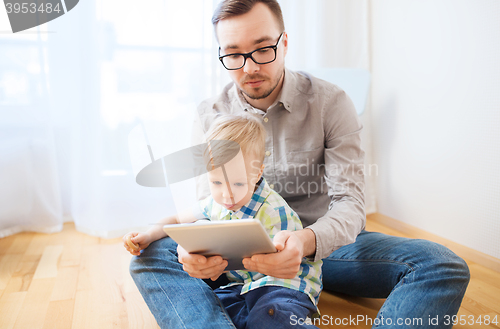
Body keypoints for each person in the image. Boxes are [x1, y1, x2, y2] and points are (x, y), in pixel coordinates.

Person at [129, 0, 470, 328]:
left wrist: (305, 241)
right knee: (150, 254)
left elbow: (351, 204)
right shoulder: (210, 114)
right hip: (238, 258)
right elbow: (207, 207)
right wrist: (196, 252)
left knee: (440, 266)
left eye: (262, 48)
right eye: (233, 54)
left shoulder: (330, 102)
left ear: (285, 42)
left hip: (324, 249)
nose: (249, 67)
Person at [124, 113, 323, 328]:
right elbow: (175, 219)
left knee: (270, 316)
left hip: (282, 285)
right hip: (241, 285)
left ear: (257, 174)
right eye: (216, 182)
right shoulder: (214, 203)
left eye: (238, 184)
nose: (227, 195)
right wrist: (149, 234)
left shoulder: (273, 209)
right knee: (222, 309)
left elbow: (286, 262)